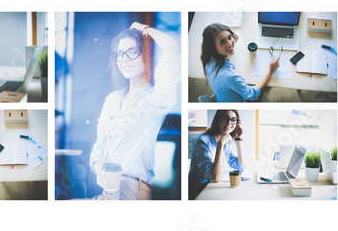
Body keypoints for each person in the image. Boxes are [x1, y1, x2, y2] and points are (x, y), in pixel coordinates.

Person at [89, 22, 180, 200]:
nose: (124, 59)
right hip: (109, 190)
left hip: (134, 190)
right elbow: (98, 149)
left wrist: (142, 28)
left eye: (132, 52)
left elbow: (171, 46)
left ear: (146, 55)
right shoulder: (112, 100)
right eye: (120, 54)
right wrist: (100, 170)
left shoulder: (156, 98)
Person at [200, 23, 280, 102]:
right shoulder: (230, 77)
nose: (230, 43)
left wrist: (232, 40)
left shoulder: (208, 58)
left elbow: (228, 42)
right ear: (213, 48)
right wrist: (270, 70)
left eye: (229, 37)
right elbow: (252, 95)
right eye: (222, 42)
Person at [188, 110, 245, 200]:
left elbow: (240, 167)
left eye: (233, 120)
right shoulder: (203, 141)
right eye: (225, 118)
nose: (229, 123)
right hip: (198, 189)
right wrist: (220, 144)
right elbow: (215, 177)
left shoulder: (226, 141)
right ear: (218, 119)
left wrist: (238, 139)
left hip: (212, 186)